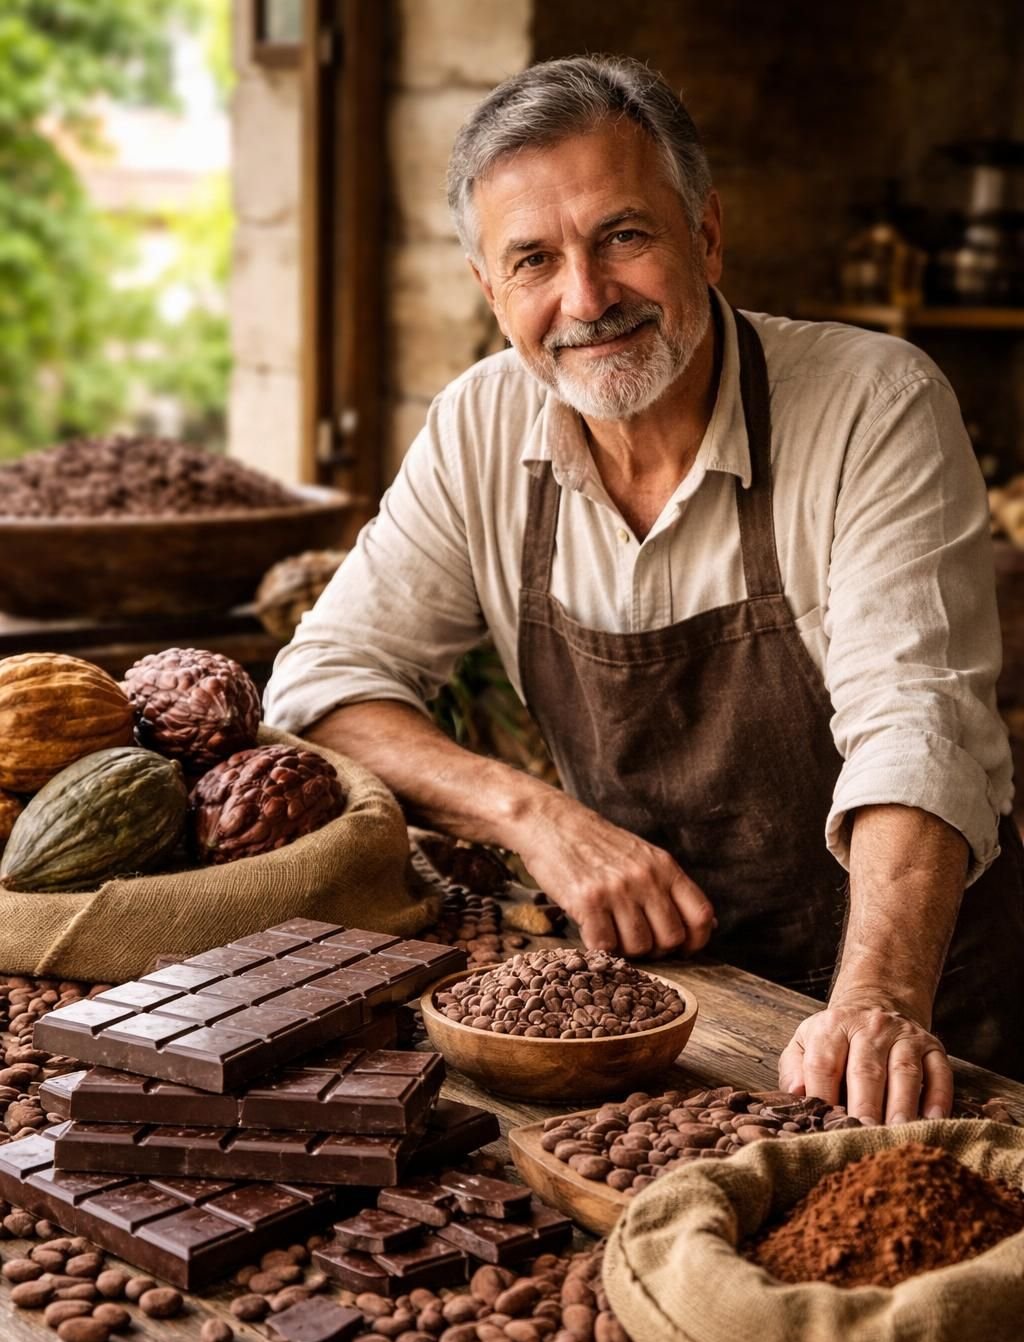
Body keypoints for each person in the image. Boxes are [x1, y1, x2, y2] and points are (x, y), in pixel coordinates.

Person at [265, 54, 1024, 1119]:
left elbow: (918, 725)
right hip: (653, 1008)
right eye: (533, 260)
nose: (585, 298)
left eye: (622, 236)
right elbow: (322, 682)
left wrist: (876, 1001)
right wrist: (533, 817)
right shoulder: (481, 426)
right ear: (491, 292)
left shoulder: (872, 403)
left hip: (909, 1014)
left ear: (704, 236)